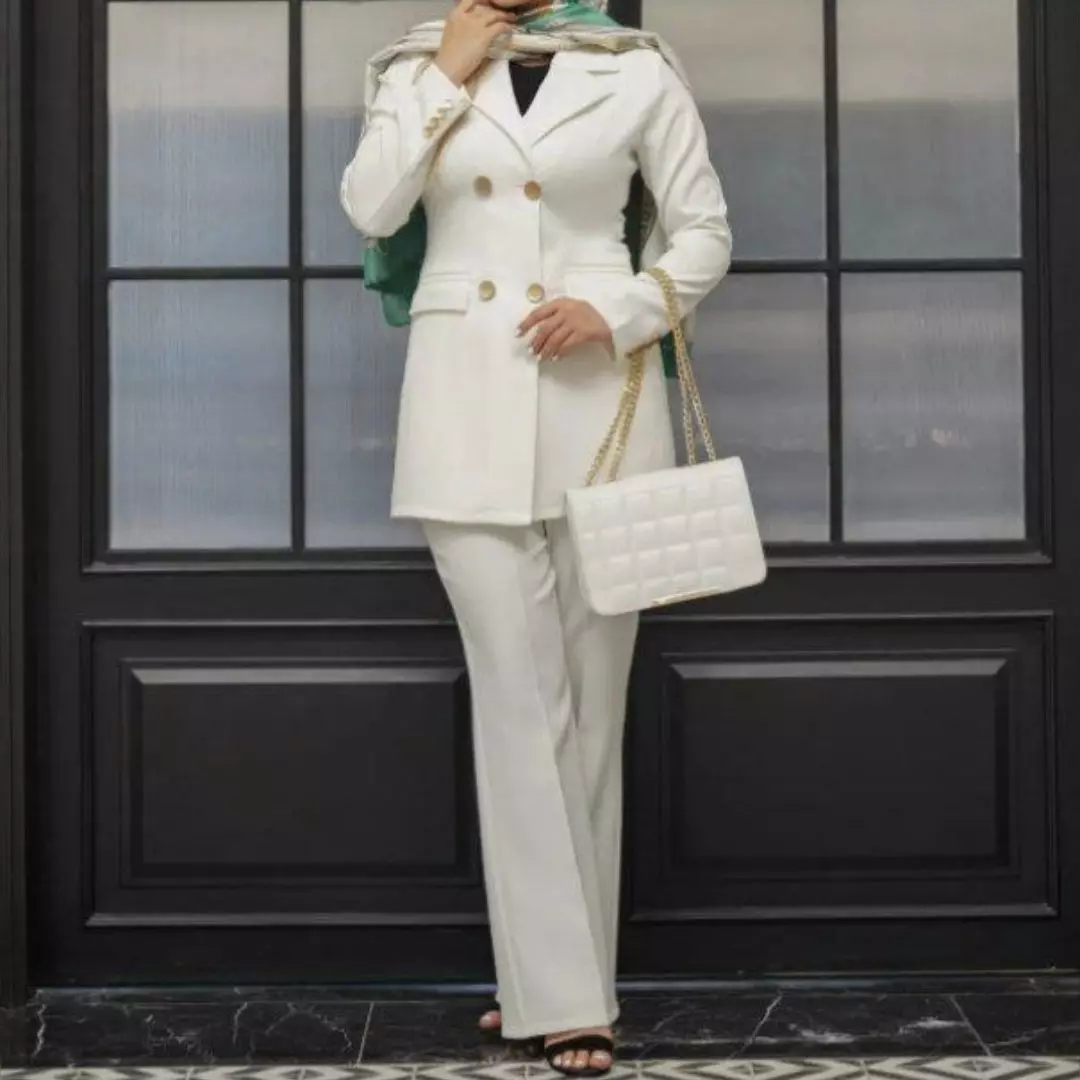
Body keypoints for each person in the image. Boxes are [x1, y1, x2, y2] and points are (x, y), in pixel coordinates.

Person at [339, 0, 732, 1073]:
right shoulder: (417, 66)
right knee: (519, 704)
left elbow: (705, 230)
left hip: (601, 403)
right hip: (464, 408)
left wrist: (623, 310)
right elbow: (372, 207)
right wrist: (445, 77)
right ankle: (568, 997)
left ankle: (552, 987)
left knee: (593, 708)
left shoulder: (634, 68)